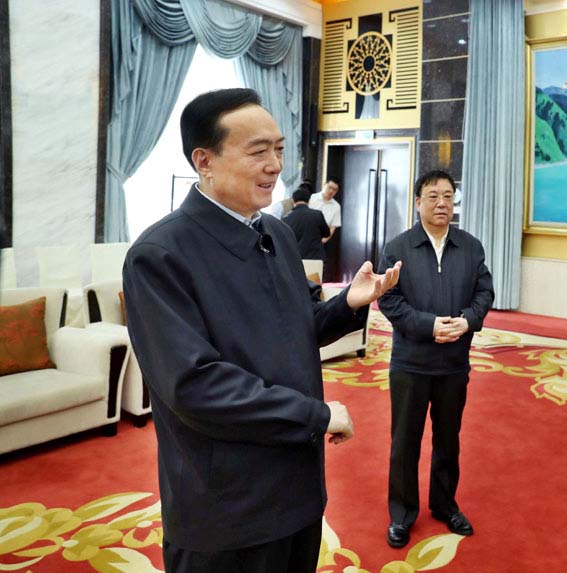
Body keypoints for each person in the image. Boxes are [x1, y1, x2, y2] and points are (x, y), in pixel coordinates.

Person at [122, 88, 401, 573]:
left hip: (297, 486)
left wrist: (347, 304)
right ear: (204, 161)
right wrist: (315, 415)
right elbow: (195, 385)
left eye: (279, 149)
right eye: (257, 151)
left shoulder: (277, 234)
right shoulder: (160, 255)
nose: (275, 165)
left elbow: (296, 329)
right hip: (227, 506)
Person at [377, 169, 494, 549]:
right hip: (410, 364)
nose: (442, 203)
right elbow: (389, 300)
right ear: (418, 203)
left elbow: (484, 292)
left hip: (454, 364)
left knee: (448, 439)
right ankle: (401, 514)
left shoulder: (471, 247)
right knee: (404, 443)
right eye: (432, 196)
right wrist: (429, 326)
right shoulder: (398, 248)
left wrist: (468, 320)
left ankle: (445, 505)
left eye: (447, 196)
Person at [283, 181, 331, 261]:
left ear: (293, 200)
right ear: (309, 200)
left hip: (295, 259)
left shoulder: (286, 219)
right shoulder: (317, 214)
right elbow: (326, 234)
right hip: (315, 258)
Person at [309, 177, 342, 245]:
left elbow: (333, 227)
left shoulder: (336, 206)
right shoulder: (311, 198)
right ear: (324, 185)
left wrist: (323, 241)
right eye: (330, 187)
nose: (331, 191)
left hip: (321, 241)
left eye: (334, 190)